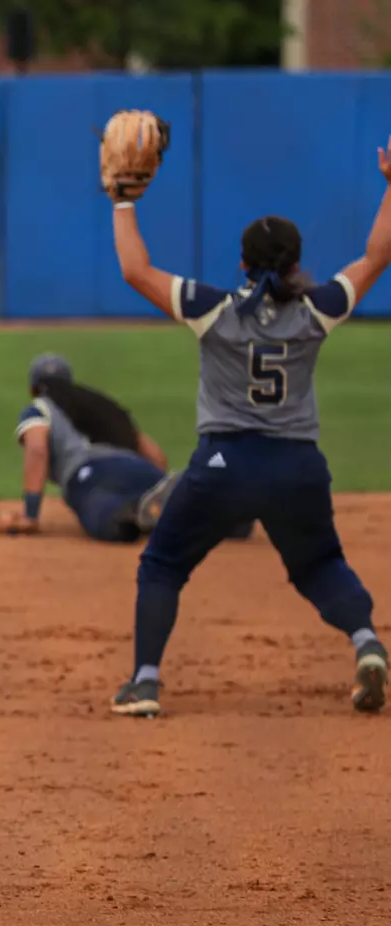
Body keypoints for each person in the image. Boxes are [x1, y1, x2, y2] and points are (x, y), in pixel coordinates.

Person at [104, 137, 391, 718]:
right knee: (319, 564)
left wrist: (123, 200)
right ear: (295, 264)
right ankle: (367, 643)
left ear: (242, 263)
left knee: (163, 564)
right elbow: (377, 255)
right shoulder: (318, 308)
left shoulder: (211, 307)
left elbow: (135, 270)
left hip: (224, 465)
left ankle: (145, 683)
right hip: (298, 467)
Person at [0, 353, 176, 541]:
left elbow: (37, 448)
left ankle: (129, 518)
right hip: (138, 466)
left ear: (32, 389)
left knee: (106, 518)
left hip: (91, 475)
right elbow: (152, 451)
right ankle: (166, 501)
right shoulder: (100, 404)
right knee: (156, 498)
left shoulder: (38, 408)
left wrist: (30, 515)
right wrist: (160, 481)